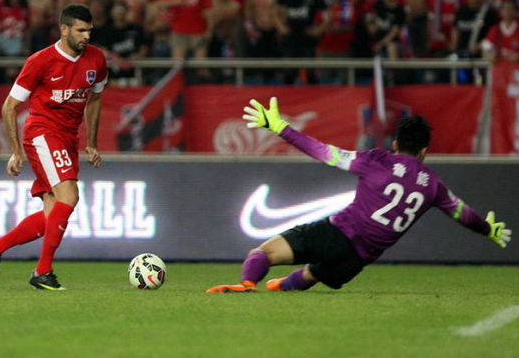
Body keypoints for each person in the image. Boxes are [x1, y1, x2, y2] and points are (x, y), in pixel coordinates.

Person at [206, 98, 512, 293]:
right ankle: (284, 287)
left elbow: (321, 151)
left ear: (395, 144)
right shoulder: (433, 186)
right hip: (355, 262)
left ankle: (246, 284)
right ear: (424, 151)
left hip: (336, 234)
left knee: (264, 254)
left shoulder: (377, 160)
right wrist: (488, 229)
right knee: (311, 274)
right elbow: (464, 215)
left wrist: (280, 128)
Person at [0, 3, 108, 291]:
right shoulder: (41, 61)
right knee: (69, 196)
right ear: (64, 29)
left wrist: (92, 143)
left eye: (89, 30)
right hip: (43, 133)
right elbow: (9, 106)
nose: (86, 36)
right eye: (80, 30)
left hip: (68, 138)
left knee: (53, 213)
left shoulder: (97, 59)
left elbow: (95, 99)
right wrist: (16, 152)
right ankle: (42, 271)